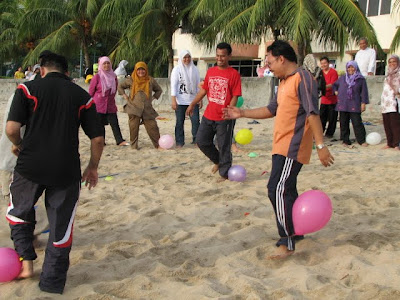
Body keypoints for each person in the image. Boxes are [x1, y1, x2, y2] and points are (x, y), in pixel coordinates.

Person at [223, 40, 334, 259]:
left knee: (277, 189)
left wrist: (321, 146)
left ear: (282, 59)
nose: (268, 66)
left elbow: (313, 114)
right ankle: (295, 233)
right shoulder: (284, 81)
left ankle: (287, 240)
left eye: (270, 61)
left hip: (293, 147)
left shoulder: (303, 79)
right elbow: (271, 109)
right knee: (287, 190)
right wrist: (242, 113)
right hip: (280, 146)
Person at [5, 51, 104, 294]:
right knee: (61, 228)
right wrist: (92, 167)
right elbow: (98, 139)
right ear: (67, 73)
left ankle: (26, 263)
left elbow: (11, 128)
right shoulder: (81, 95)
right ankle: (51, 283)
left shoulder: (26, 89)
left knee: (19, 213)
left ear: (41, 70)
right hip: (66, 169)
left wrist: (18, 144)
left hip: (30, 165)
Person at [186, 42, 241, 181]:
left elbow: (235, 95)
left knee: (224, 146)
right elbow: (204, 90)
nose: (220, 58)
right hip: (209, 115)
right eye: (217, 55)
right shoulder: (211, 71)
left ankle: (224, 173)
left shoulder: (234, 74)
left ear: (229, 56)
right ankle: (218, 161)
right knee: (201, 141)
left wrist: (229, 111)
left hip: (225, 117)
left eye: (223, 56)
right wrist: (192, 103)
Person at [118, 61, 163, 149]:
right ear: (136, 70)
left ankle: (158, 145)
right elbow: (120, 86)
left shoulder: (150, 80)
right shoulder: (131, 79)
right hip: (133, 108)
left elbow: (159, 90)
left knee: (153, 127)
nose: (141, 72)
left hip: (147, 109)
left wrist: (153, 98)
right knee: (133, 127)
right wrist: (125, 96)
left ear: (146, 70)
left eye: (143, 70)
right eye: (139, 70)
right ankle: (134, 146)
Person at [89, 56, 129, 146]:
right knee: (99, 125)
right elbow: (91, 91)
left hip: (110, 104)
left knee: (114, 123)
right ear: (100, 65)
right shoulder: (97, 77)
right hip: (98, 105)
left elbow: (114, 89)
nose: (106, 65)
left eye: (108, 63)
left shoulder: (113, 76)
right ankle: (101, 141)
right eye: (104, 63)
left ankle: (120, 141)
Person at [333, 61, 369, 147]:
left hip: (354, 103)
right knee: (343, 123)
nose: (350, 69)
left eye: (352, 67)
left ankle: (361, 140)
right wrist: (335, 91)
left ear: (356, 68)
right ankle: (345, 140)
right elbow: (335, 85)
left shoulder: (360, 79)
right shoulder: (342, 78)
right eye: (349, 67)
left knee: (357, 122)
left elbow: (364, 92)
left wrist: (363, 103)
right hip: (343, 103)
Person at [171, 50, 201, 147]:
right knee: (180, 121)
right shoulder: (176, 70)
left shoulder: (195, 69)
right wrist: (173, 100)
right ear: (181, 58)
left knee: (195, 121)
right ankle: (180, 142)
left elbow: (198, 85)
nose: (187, 59)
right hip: (180, 101)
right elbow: (174, 86)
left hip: (193, 100)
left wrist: (199, 99)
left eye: (188, 57)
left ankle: (196, 140)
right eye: (184, 57)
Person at [381, 55, 400, 150]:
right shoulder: (388, 74)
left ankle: (396, 144)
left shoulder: (399, 74)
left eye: (394, 62)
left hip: (394, 102)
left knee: (395, 124)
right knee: (387, 123)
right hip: (385, 102)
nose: (392, 64)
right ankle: (390, 143)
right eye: (390, 62)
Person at [319, 56, 339, 138]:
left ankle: (329, 133)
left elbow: (333, 84)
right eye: (322, 63)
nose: (323, 65)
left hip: (332, 99)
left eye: (325, 63)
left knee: (332, 118)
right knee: (321, 117)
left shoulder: (333, 72)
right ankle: (320, 132)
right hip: (324, 99)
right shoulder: (320, 73)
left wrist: (323, 87)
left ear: (328, 63)